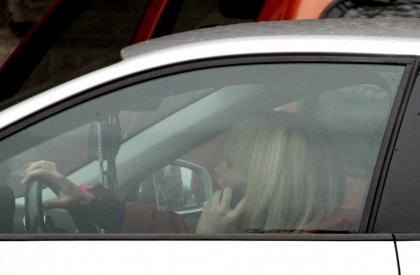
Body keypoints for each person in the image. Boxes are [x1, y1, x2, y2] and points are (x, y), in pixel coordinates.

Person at [22, 112, 346, 234]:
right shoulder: (264, 234)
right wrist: (87, 201)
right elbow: (172, 230)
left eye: (230, 163)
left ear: (268, 181)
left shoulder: (301, 254)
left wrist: (211, 244)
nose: (217, 169)